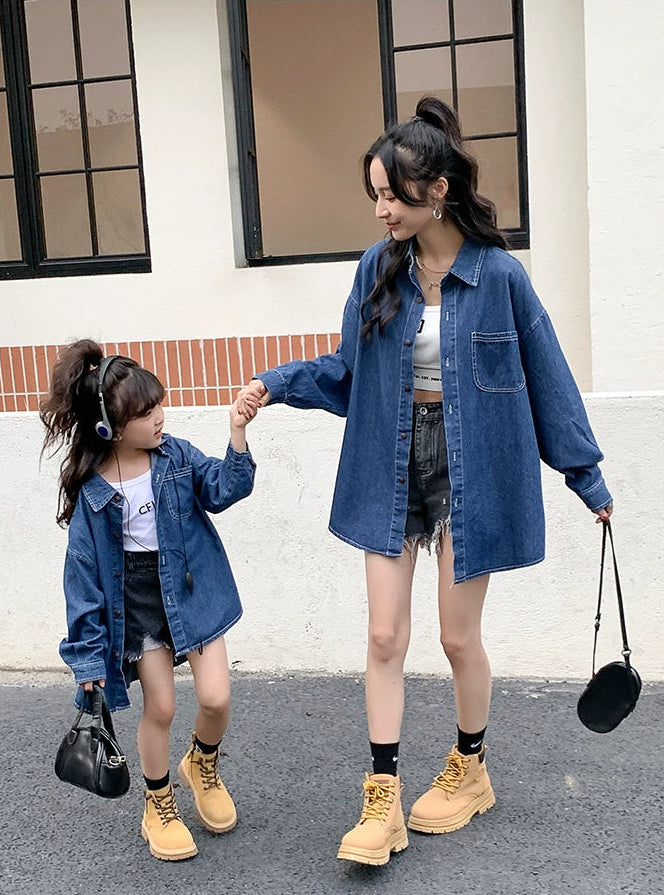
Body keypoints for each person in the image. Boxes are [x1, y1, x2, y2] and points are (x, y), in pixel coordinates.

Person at [237, 96, 613, 866]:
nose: (379, 211)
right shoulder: (378, 271)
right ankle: (382, 797)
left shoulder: (501, 276)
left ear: (436, 188)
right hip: (390, 455)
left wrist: (588, 476)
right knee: (383, 634)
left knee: (454, 633)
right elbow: (347, 371)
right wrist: (277, 385)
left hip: (472, 466)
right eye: (373, 194)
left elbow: (548, 377)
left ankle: (471, 766)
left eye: (390, 194)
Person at [41, 339, 256, 862]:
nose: (160, 417)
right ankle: (158, 801)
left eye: (158, 404)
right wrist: (88, 661)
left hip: (188, 587)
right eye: (144, 413)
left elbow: (225, 490)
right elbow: (84, 583)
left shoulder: (176, 455)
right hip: (133, 602)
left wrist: (237, 433)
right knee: (160, 706)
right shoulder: (93, 494)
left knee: (216, 698)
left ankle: (201, 763)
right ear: (108, 427)